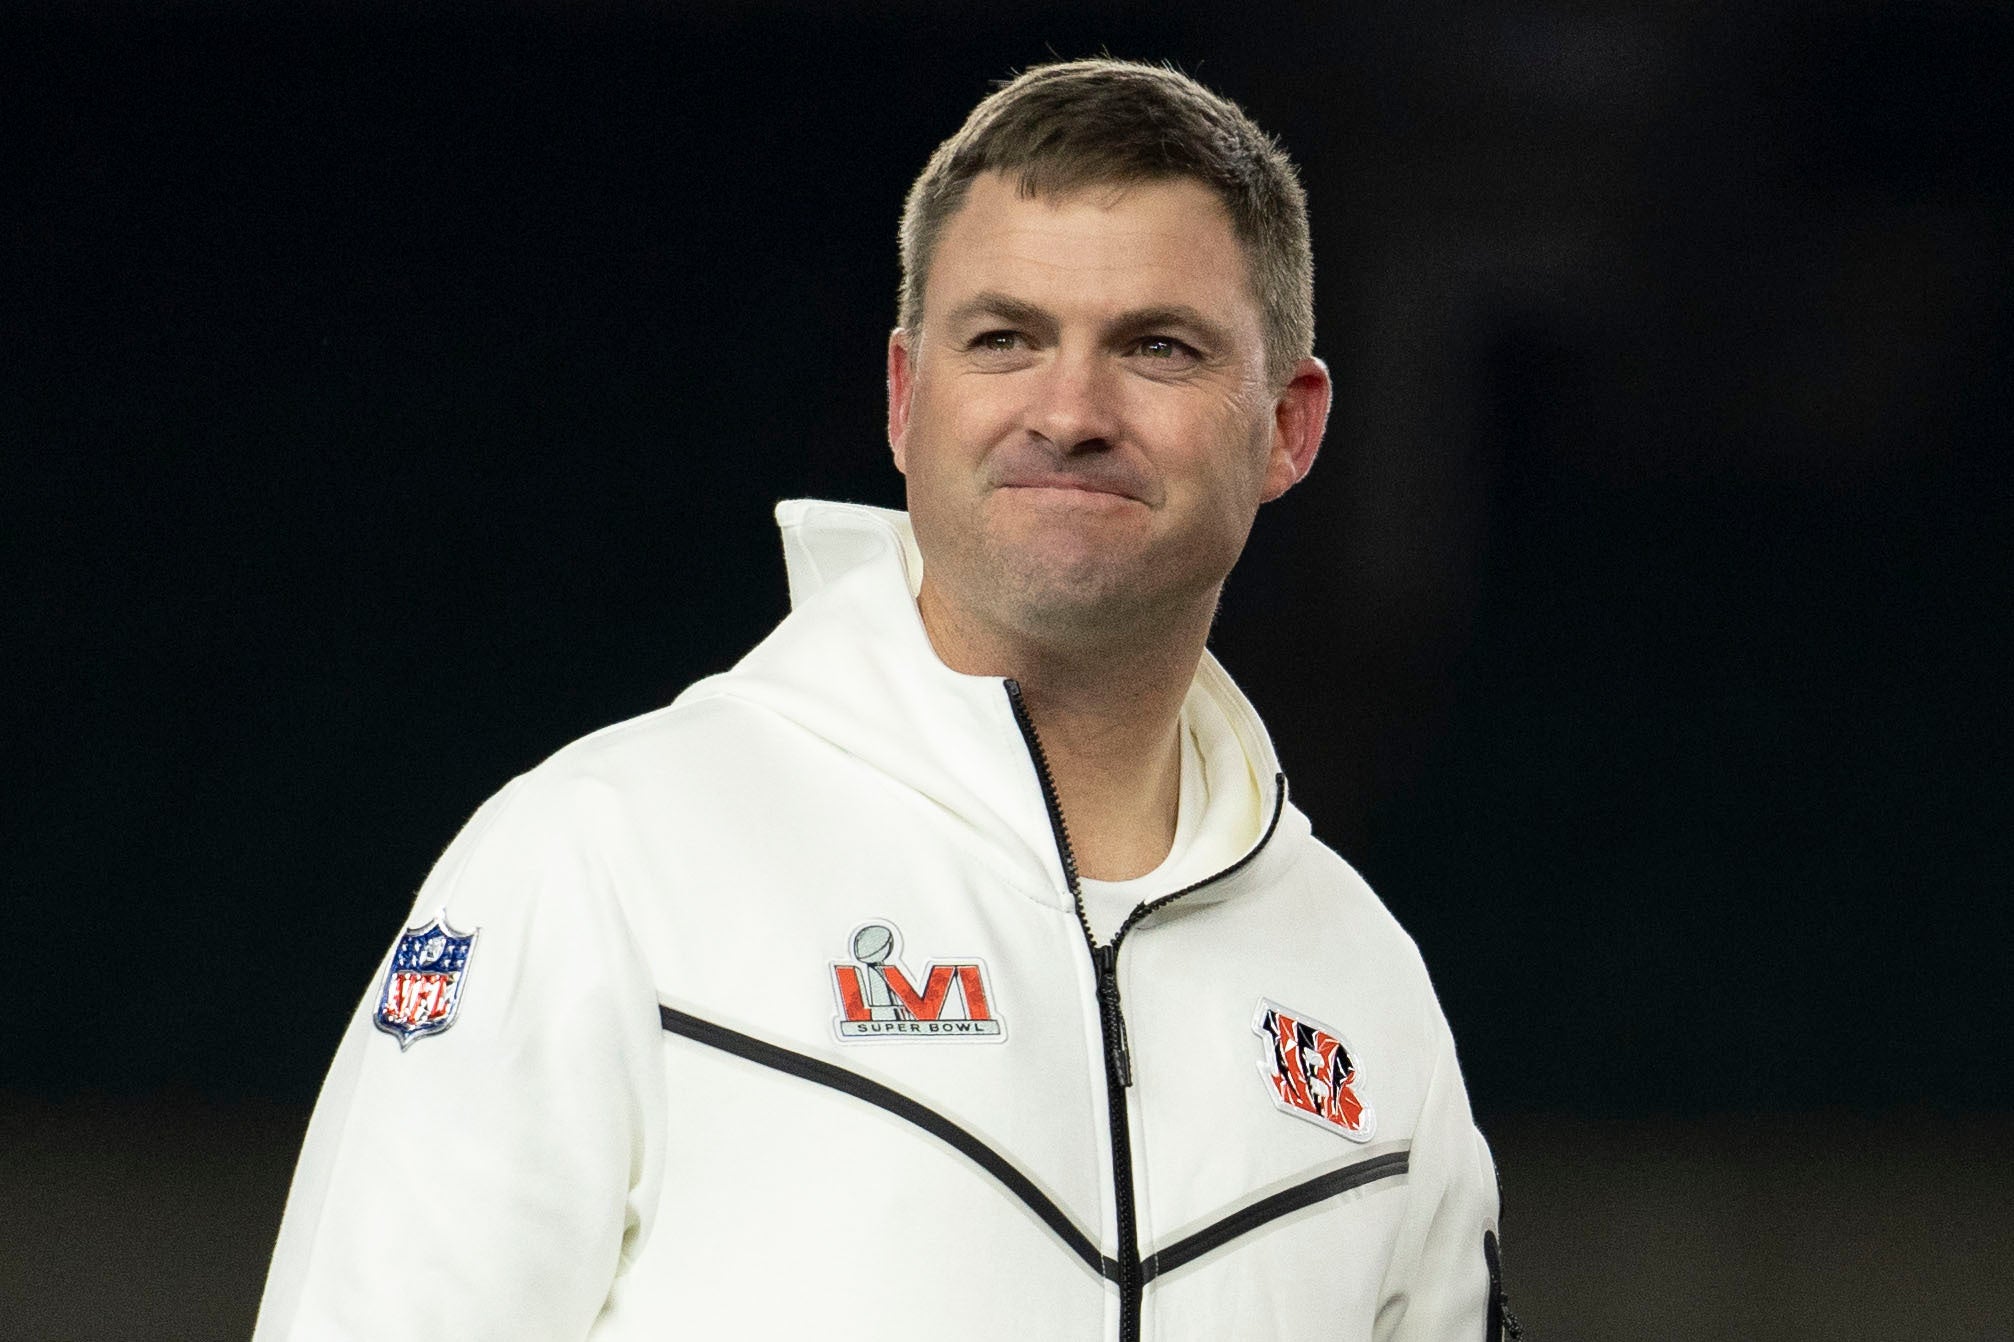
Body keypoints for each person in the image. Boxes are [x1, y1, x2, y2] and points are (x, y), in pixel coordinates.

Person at [256, 58, 1515, 1341]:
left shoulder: (1365, 988)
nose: (1070, 411)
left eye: (1157, 347)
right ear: (907, 398)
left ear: (1290, 427)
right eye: (1005, 339)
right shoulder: (602, 857)